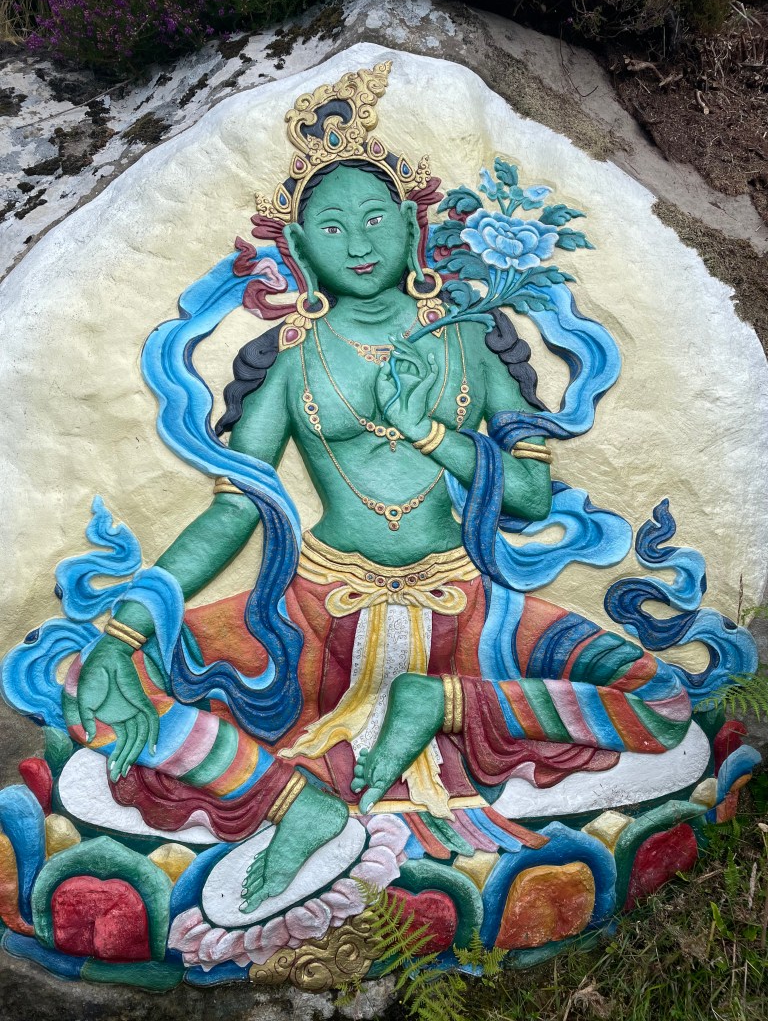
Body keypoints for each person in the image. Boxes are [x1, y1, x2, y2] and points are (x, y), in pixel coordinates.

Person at [63, 63, 691, 913]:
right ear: (300, 247)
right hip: (309, 617)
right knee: (95, 686)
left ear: (411, 225)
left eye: (373, 219)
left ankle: (440, 704)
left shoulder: (473, 342)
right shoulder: (288, 365)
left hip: (472, 614)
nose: (357, 243)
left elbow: (530, 499)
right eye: (331, 226)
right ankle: (294, 800)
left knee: (663, 701)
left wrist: (428, 433)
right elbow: (234, 509)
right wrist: (127, 628)